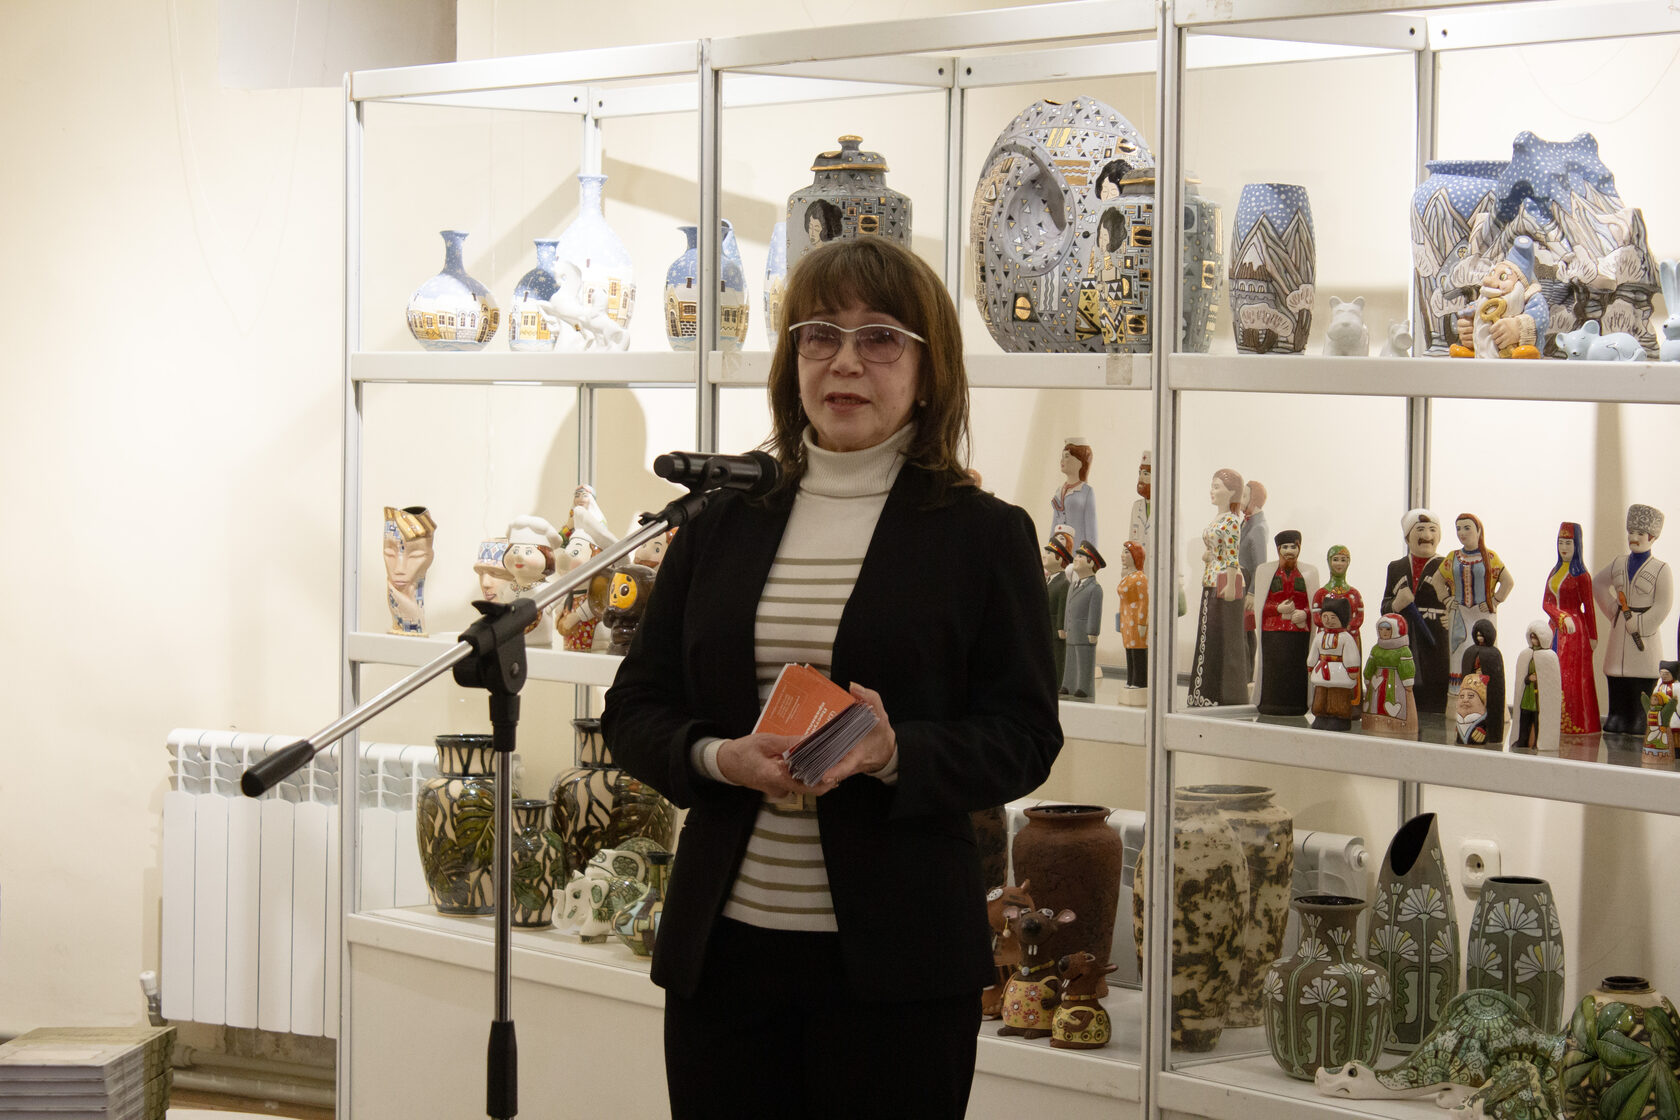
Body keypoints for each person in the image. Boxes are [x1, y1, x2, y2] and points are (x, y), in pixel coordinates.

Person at [600, 236, 1063, 1119]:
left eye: (880, 337)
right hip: (724, 956)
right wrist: (718, 758)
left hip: (898, 968)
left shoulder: (981, 535)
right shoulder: (719, 521)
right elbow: (636, 706)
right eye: (820, 334)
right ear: (793, 361)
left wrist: (893, 752)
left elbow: (1025, 737)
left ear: (927, 371)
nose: (845, 361)